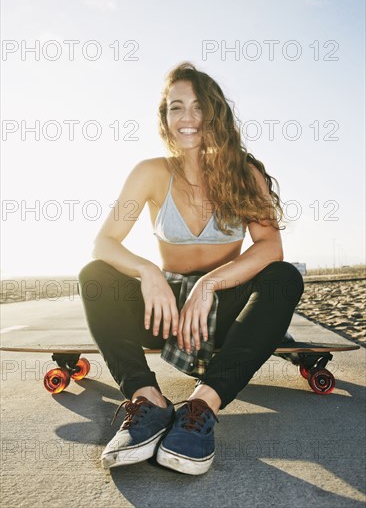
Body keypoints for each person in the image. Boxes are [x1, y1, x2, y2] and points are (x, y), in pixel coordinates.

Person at [78, 61, 304, 475]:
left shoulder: (244, 173)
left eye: (198, 107)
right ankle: (149, 401)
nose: (187, 118)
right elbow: (104, 242)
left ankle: (201, 407)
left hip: (222, 307)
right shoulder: (149, 172)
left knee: (283, 278)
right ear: (164, 117)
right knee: (95, 276)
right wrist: (148, 272)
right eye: (175, 107)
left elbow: (271, 247)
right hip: (166, 312)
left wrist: (210, 285)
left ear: (214, 113)